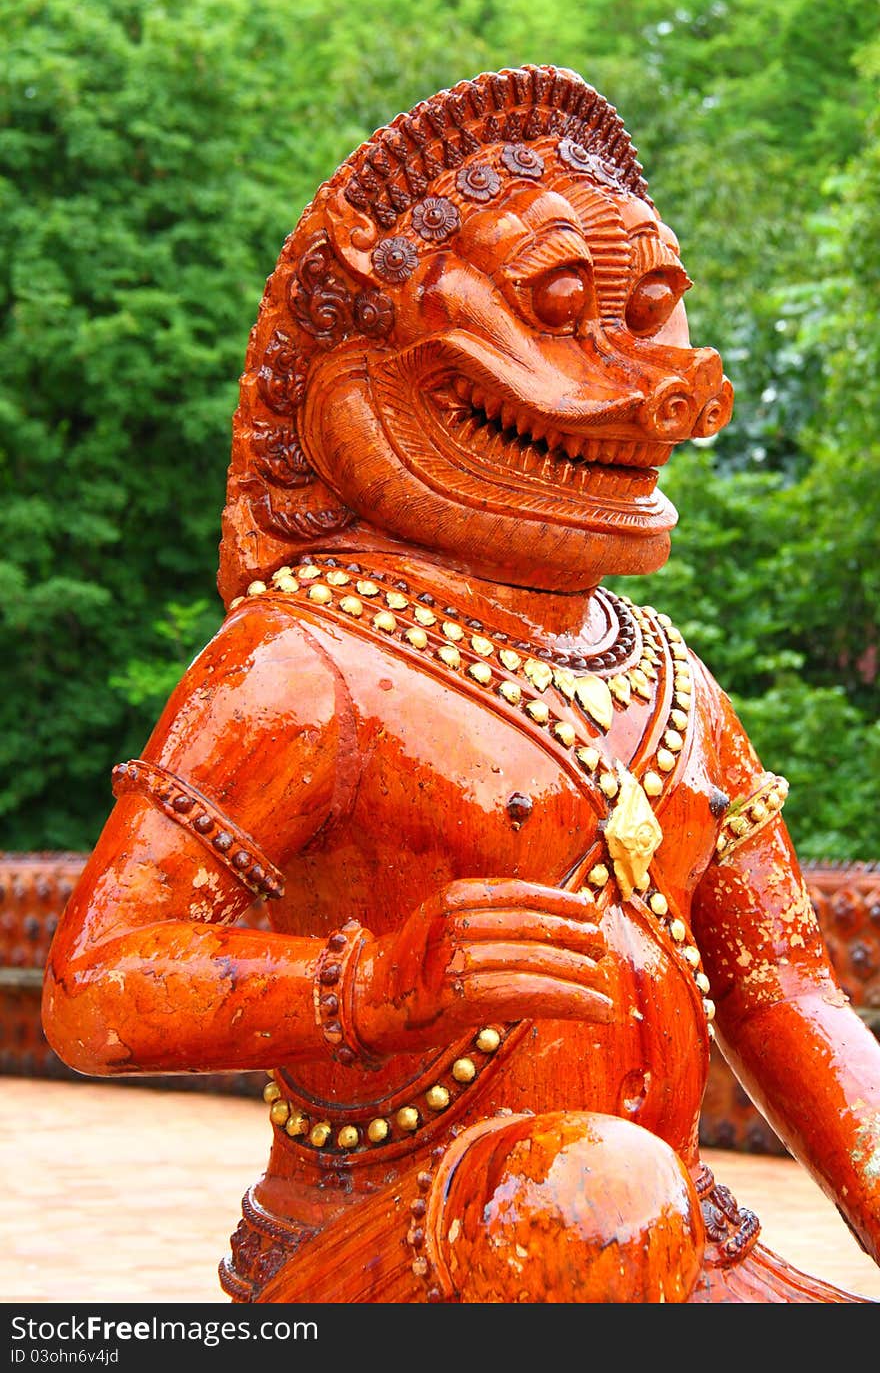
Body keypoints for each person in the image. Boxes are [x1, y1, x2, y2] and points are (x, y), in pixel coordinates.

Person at [42, 65, 880, 1302]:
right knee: (593, 1195)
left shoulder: (667, 674)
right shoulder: (302, 660)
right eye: (554, 304)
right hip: (406, 1235)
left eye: (650, 309)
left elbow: (784, 989)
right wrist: (373, 983)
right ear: (359, 368)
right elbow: (95, 985)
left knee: (626, 1210)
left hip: (674, 1237)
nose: (658, 386)